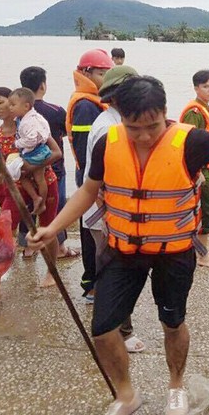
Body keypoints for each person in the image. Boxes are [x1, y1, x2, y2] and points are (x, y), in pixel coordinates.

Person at [26, 75, 209, 415]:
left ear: (164, 113)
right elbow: (88, 191)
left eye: (151, 126)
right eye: (134, 128)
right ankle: (126, 396)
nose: (143, 135)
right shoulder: (109, 142)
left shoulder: (189, 141)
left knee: (172, 322)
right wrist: (53, 227)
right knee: (103, 328)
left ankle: (176, 385)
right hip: (122, 250)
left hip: (173, 252)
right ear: (120, 117)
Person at [81, 64, 146, 350]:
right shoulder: (108, 127)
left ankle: (116, 328)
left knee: (119, 270)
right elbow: (97, 185)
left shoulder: (123, 122)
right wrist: (113, 217)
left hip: (117, 213)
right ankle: (123, 332)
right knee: (115, 273)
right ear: (117, 97)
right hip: (105, 213)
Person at [0, 87, 62, 304]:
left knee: (49, 229)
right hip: (16, 191)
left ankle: (51, 271)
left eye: (2, 102)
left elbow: (56, 153)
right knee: (0, 233)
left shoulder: (32, 125)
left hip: (45, 183)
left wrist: (29, 168)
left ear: (14, 104)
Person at [67, 49, 113, 299]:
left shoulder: (90, 100)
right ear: (86, 72)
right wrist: (94, 188)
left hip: (89, 177)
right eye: (100, 73)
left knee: (94, 230)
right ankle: (92, 284)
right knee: (92, 232)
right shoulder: (86, 105)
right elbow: (87, 149)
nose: (104, 79)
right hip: (89, 178)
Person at [19, 66, 76, 259]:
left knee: (28, 206)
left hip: (24, 168)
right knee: (55, 209)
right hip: (54, 169)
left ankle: (28, 248)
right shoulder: (56, 111)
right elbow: (68, 133)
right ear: (43, 85)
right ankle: (59, 248)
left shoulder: (19, 113)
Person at [180, 69, 209, 269]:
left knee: (205, 208)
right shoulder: (194, 112)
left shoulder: (205, 108)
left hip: (208, 167)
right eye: (206, 86)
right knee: (206, 210)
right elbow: (190, 144)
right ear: (196, 88)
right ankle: (203, 255)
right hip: (202, 169)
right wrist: (197, 172)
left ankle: (201, 247)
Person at [8, 88, 52, 215]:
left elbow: (31, 140)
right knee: (33, 177)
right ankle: (38, 199)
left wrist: (17, 143)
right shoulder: (31, 117)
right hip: (40, 150)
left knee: (33, 177)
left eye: (13, 105)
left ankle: (39, 201)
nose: (10, 108)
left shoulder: (29, 122)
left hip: (35, 153)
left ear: (26, 106)